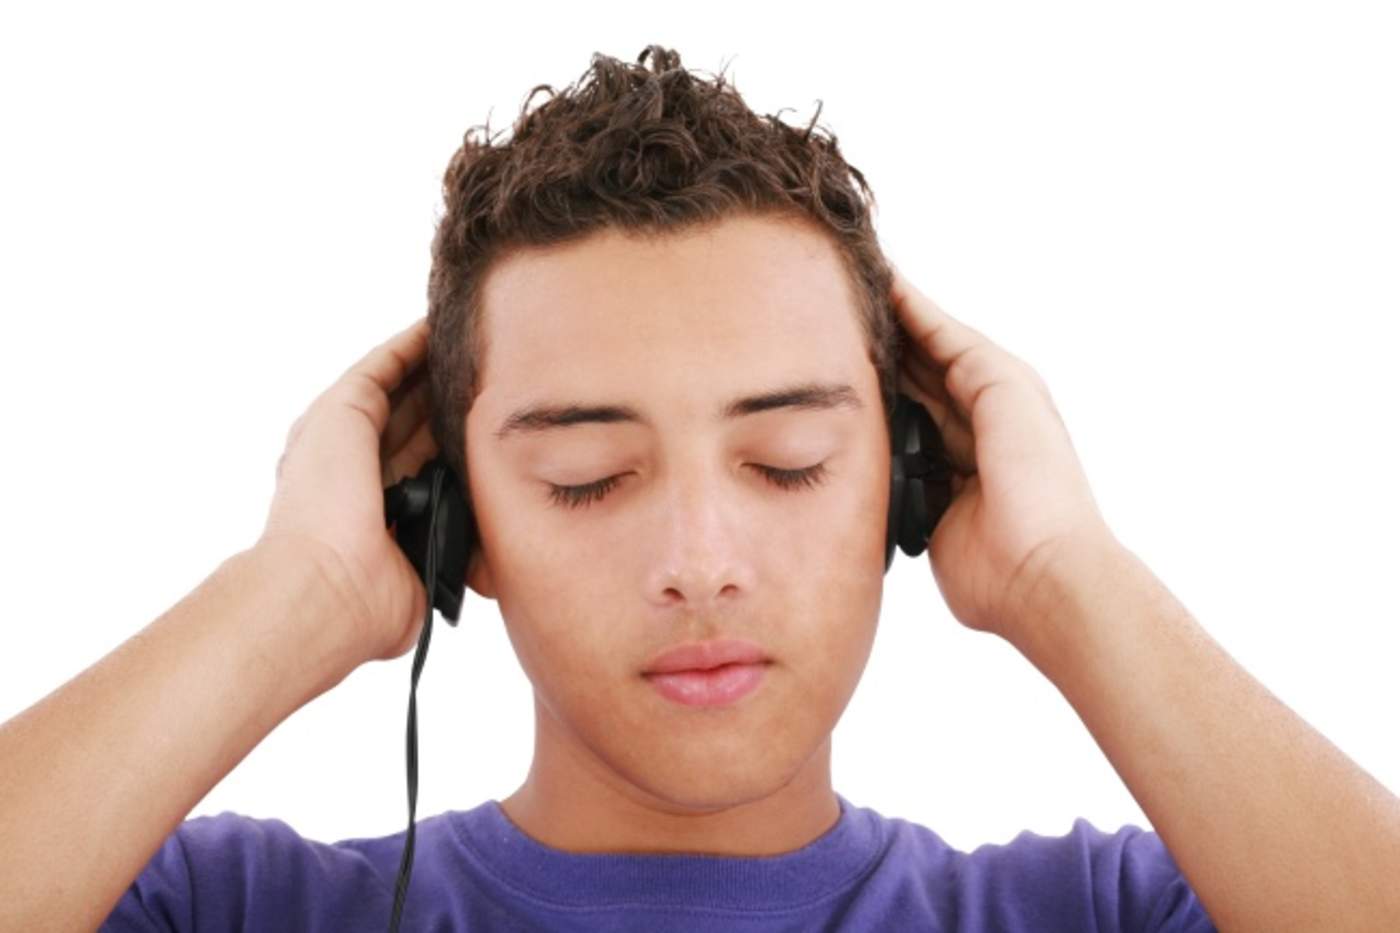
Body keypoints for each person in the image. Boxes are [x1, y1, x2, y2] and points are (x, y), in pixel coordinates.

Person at [3, 42, 1397, 933]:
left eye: (788, 461)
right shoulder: (232, 910)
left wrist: (1066, 576)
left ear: (912, 478)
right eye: (587, 479)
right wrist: (293, 589)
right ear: (449, 520)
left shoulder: (1107, 913)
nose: (700, 558)